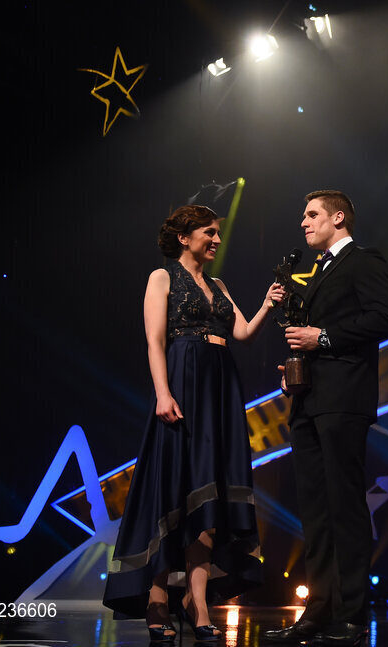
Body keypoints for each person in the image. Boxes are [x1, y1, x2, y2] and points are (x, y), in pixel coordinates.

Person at [104, 205, 283, 642]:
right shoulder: (161, 278)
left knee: (211, 491)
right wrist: (163, 393)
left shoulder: (218, 284)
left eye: (218, 232)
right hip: (182, 383)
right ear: (185, 237)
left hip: (221, 388)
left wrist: (265, 305)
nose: (217, 239)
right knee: (174, 487)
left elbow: (240, 334)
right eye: (209, 232)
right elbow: (154, 340)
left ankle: (198, 602)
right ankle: (158, 596)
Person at [265, 191, 388, 646]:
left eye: (311, 215)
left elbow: (386, 317)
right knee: (315, 513)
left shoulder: (363, 260)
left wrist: (322, 338)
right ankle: (317, 612)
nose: (303, 223)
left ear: (337, 217)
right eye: (302, 215)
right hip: (309, 401)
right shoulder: (320, 269)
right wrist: (296, 369)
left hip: (344, 401)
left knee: (344, 508)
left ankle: (352, 617)